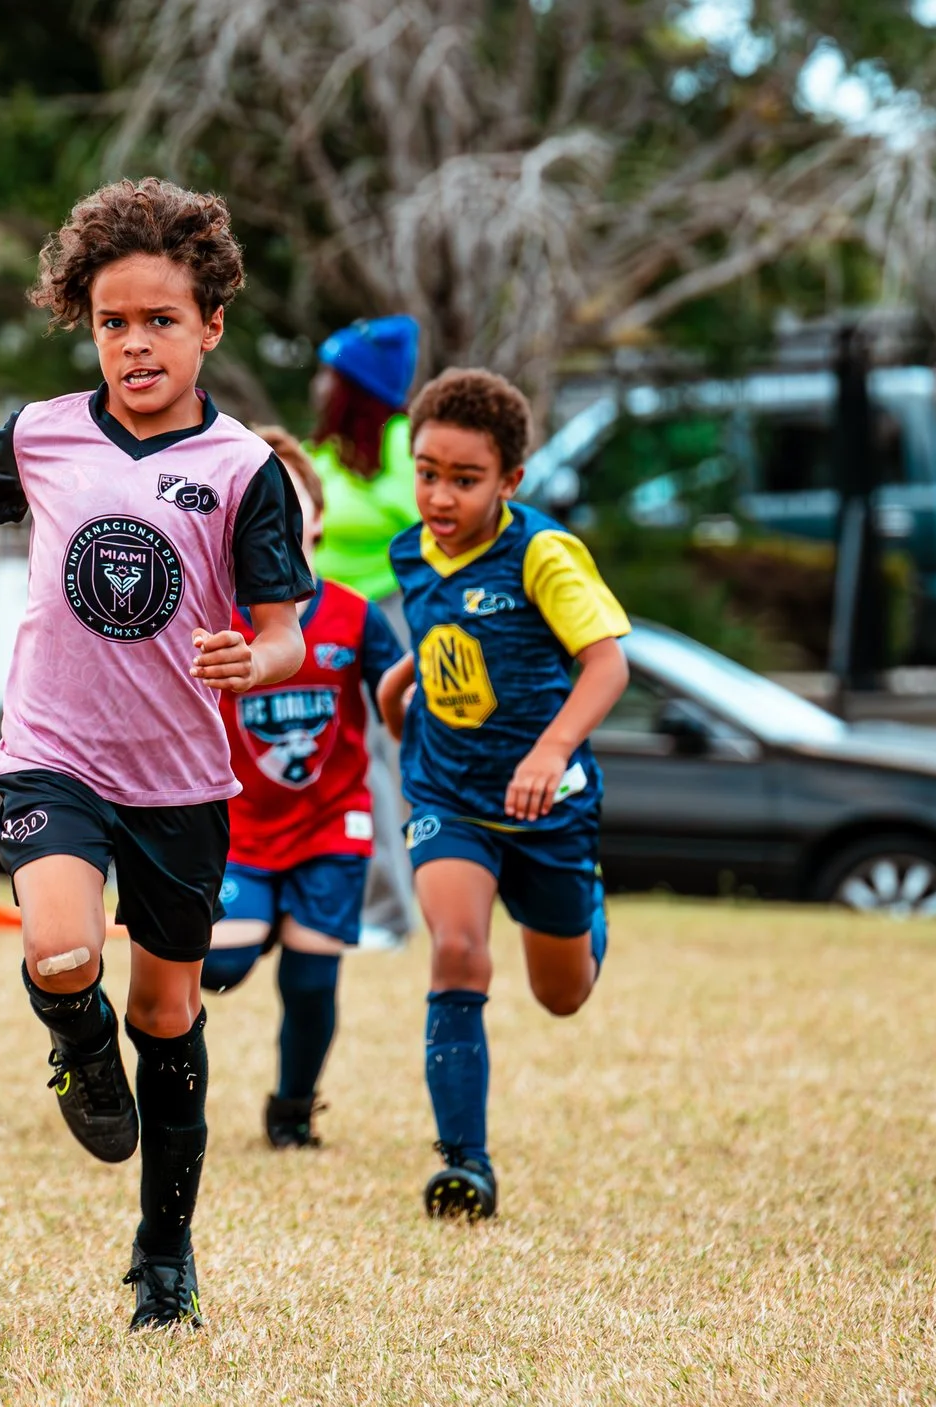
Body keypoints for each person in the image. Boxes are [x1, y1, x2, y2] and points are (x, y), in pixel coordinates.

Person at [0, 177, 313, 1329]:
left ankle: (164, 1256)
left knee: (172, 1015)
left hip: (181, 777)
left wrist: (258, 663)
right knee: (59, 953)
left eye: (161, 321)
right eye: (112, 322)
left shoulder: (243, 470)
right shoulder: (39, 433)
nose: (135, 343)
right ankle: (81, 1051)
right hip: (54, 754)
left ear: (211, 326)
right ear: (87, 325)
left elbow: (285, 634)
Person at [375, 368, 629, 1222]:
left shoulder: (543, 553)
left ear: (511, 481)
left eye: (464, 478)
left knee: (563, 994)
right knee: (456, 951)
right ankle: (465, 1162)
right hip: (446, 792)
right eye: (426, 471)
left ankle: (584, 897)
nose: (439, 495)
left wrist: (550, 750)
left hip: (547, 805)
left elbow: (607, 663)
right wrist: (401, 683)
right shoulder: (409, 550)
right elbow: (445, 627)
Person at [200, 427, 404, 1150]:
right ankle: (256, 926)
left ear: (315, 516)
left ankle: (291, 1111)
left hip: (331, 823)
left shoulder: (354, 614)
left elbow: (396, 702)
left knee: (313, 980)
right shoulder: (214, 616)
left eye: (287, 497)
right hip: (242, 829)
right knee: (220, 965)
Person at [305, 316, 422, 950]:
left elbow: (421, 523)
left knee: (377, 762)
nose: (321, 385)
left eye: (332, 374)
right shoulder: (322, 452)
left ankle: (388, 915)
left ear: (357, 387)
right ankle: (315, 901)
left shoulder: (403, 446)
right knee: (317, 758)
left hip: (388, 614)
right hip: (324, 615)